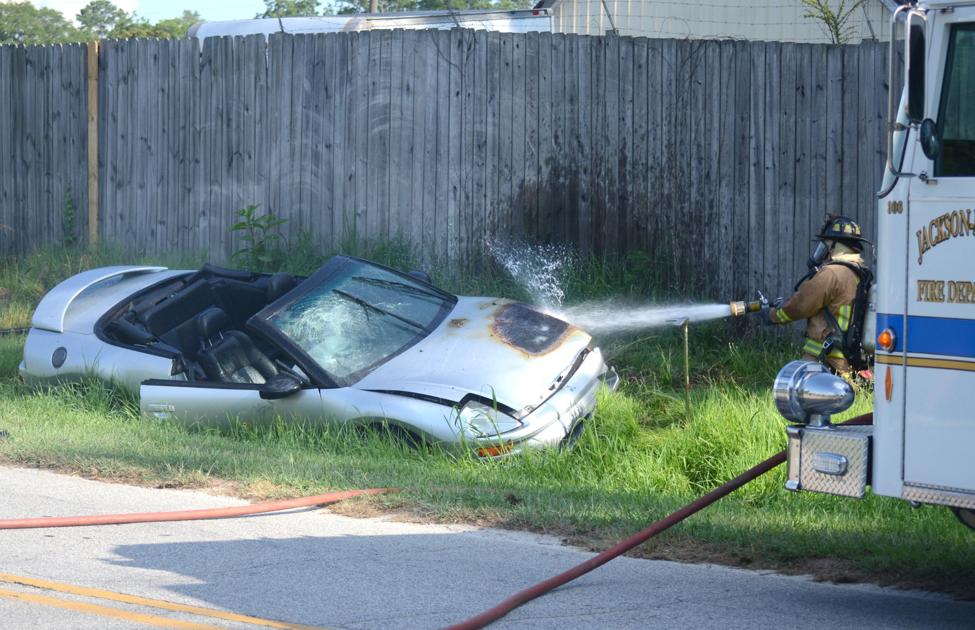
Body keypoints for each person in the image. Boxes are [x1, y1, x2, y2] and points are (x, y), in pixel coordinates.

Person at [767, 215, 872, 378]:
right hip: (847, 361)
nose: (824, 250)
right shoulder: (858, 272)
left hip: (824, 361)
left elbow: (801, 305)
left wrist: (773, 315)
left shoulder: (831, 273)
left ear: (835, 245)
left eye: (826, 244)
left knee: (802, 399)